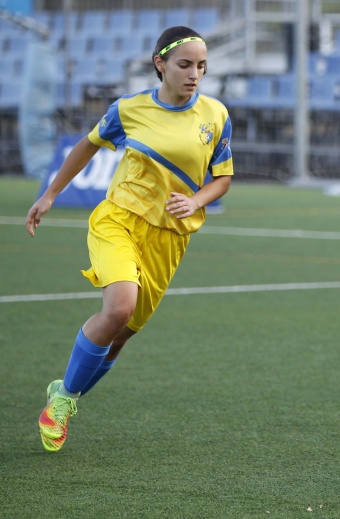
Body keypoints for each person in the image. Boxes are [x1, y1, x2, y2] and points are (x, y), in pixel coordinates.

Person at [26, 26, 234, 452]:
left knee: (121, 337)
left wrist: (197, 201)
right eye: (185, 65)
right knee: (119, 307)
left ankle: (65, 389)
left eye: (201, 67)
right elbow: (86, 147)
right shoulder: (129, 109)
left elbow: (223, 178)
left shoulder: (216, 115)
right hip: (119, 220)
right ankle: (64, 401)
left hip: (170, 239)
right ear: (160, 64)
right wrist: (49, 194)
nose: (194, 74)